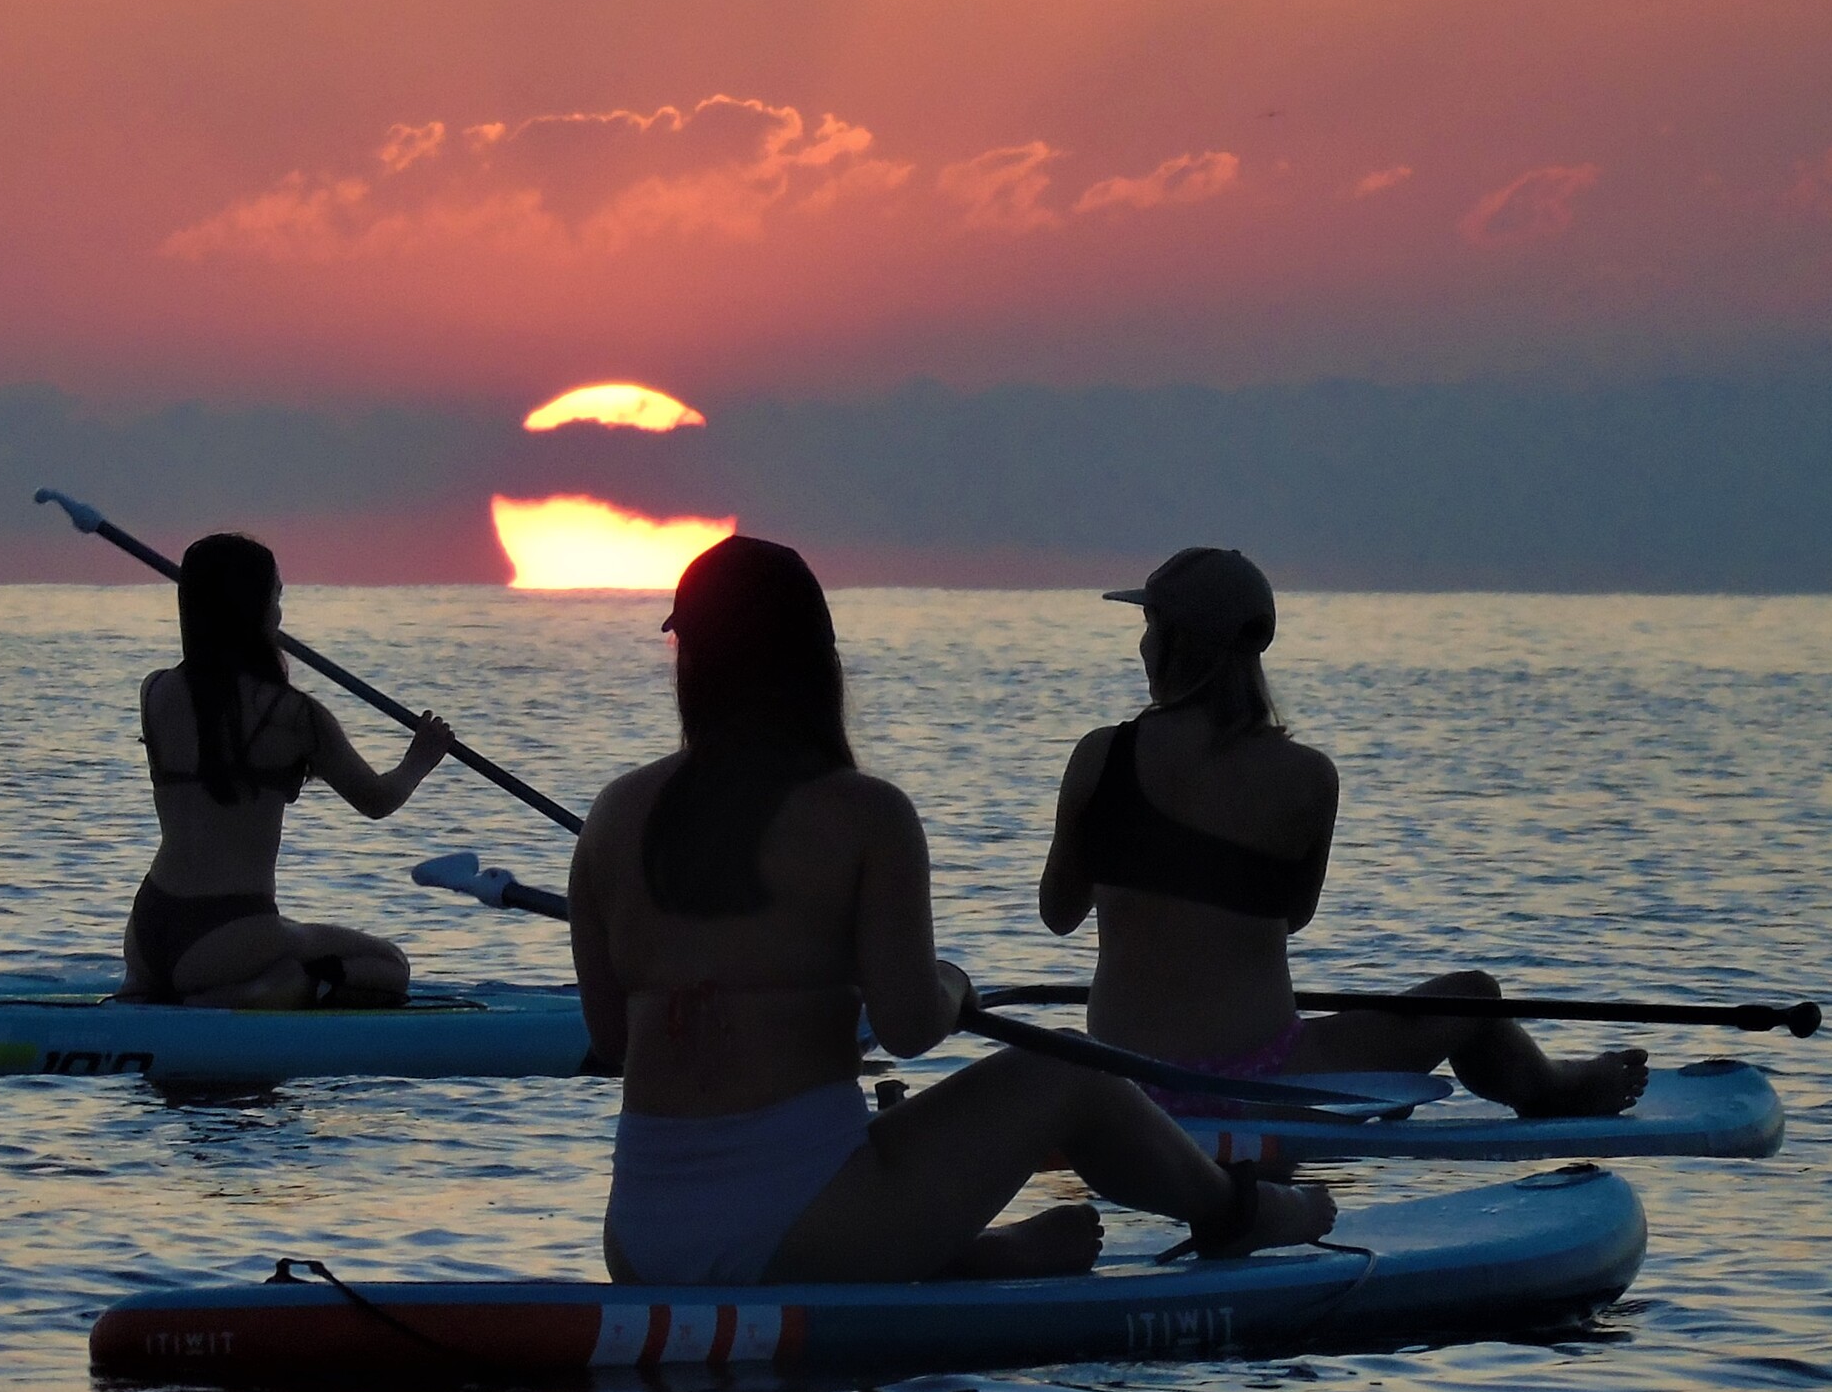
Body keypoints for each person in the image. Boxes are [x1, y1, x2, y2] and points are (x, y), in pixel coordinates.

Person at [570, 535, 1335, 1288]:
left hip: (640, 1236)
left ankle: (971, 1256)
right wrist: (951, 985)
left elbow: (611, 1039)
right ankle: (1237, 1211)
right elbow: (908, 1027)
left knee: (849, 1134)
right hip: (800, 1229)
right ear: (816, 665)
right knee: (1069, 1067)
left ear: (691, 659)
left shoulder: (612, 814)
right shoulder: (867, 815)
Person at [1039, 545, 1647, 1118]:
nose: (1143, 645)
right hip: (1263, 1076)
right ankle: (1551, 1089)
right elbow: (1293, 917)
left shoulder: (1101, 756)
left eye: (1149, 625)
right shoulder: (1308, 777)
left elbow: (1058, 912)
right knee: (1475, 997)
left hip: (1121, 1079)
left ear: (1169, 642)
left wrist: (1135, 857)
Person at [120, 532, 456, 1008]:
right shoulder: (294, 716)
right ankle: (249, 994)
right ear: (256, 608)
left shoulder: (155, 693)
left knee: (287, 943)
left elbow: (216, 713)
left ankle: (156, 991)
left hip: (148, 927)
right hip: (231, 930)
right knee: (389, 967)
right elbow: (376, 800)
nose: (280, 613)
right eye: (276, 597)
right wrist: (419, 760)